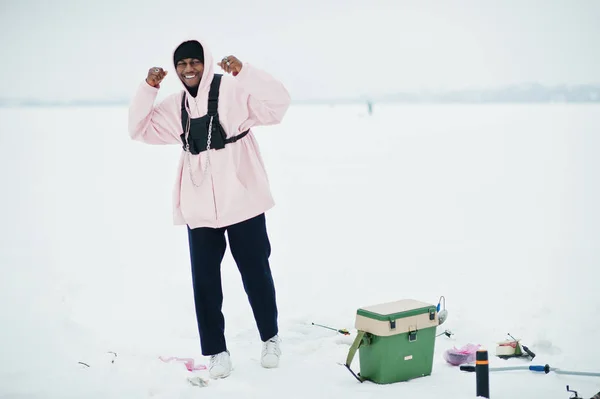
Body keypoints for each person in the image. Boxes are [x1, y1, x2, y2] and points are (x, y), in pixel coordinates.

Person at [127, 38, 291, 379]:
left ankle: (270, 338)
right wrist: (148, 89)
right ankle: (217, 352)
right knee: (204, 282)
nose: (189, 69)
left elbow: (277, 104)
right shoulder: (176, 107)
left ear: (207, 62)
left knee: (256, 272)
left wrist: (245, 73)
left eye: (195, 62)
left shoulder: (234, 91)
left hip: (243, 199)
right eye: (182, 64)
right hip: (199, 205)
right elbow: (139, 129)